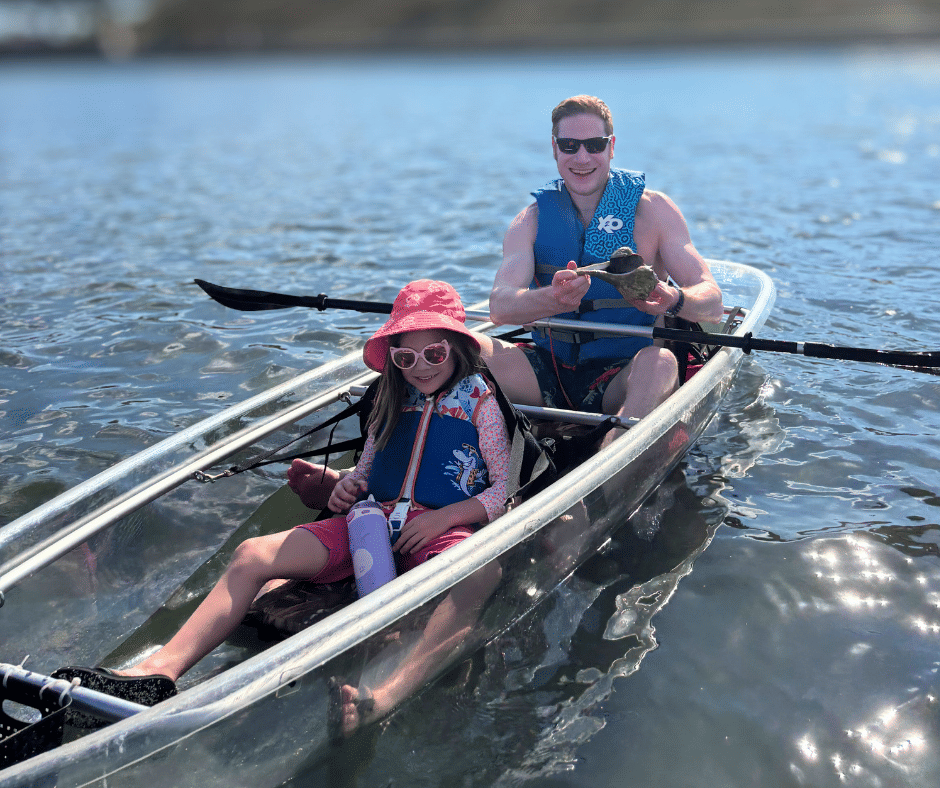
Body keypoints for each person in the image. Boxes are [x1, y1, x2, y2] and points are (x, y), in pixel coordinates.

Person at [62, 280, 511, 734]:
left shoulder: (481, 404)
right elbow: (365, 472)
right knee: (252, 554)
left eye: (433, 354)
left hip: (440, 531)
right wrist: (346, 489)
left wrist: (445, 517)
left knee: (481, 572)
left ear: (456, 348)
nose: (419, 368)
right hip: (372, 526)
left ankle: (384, 695)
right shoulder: (389, 399)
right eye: (405, 357)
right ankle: (158, 672)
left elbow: (500, 493)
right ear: (392, 358)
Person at [480, 94, 724, 442]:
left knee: (662, 363)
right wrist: (553, 299)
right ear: (554, 148)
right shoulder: (531, 220)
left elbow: (712, 301)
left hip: (622, 376)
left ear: (611, 147)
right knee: (463, 346)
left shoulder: (653, 211)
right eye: (569, 145)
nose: (582, 157)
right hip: (548, 373)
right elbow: (500, 307)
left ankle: (608, 462)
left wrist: (672, 299)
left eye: (594, 145)